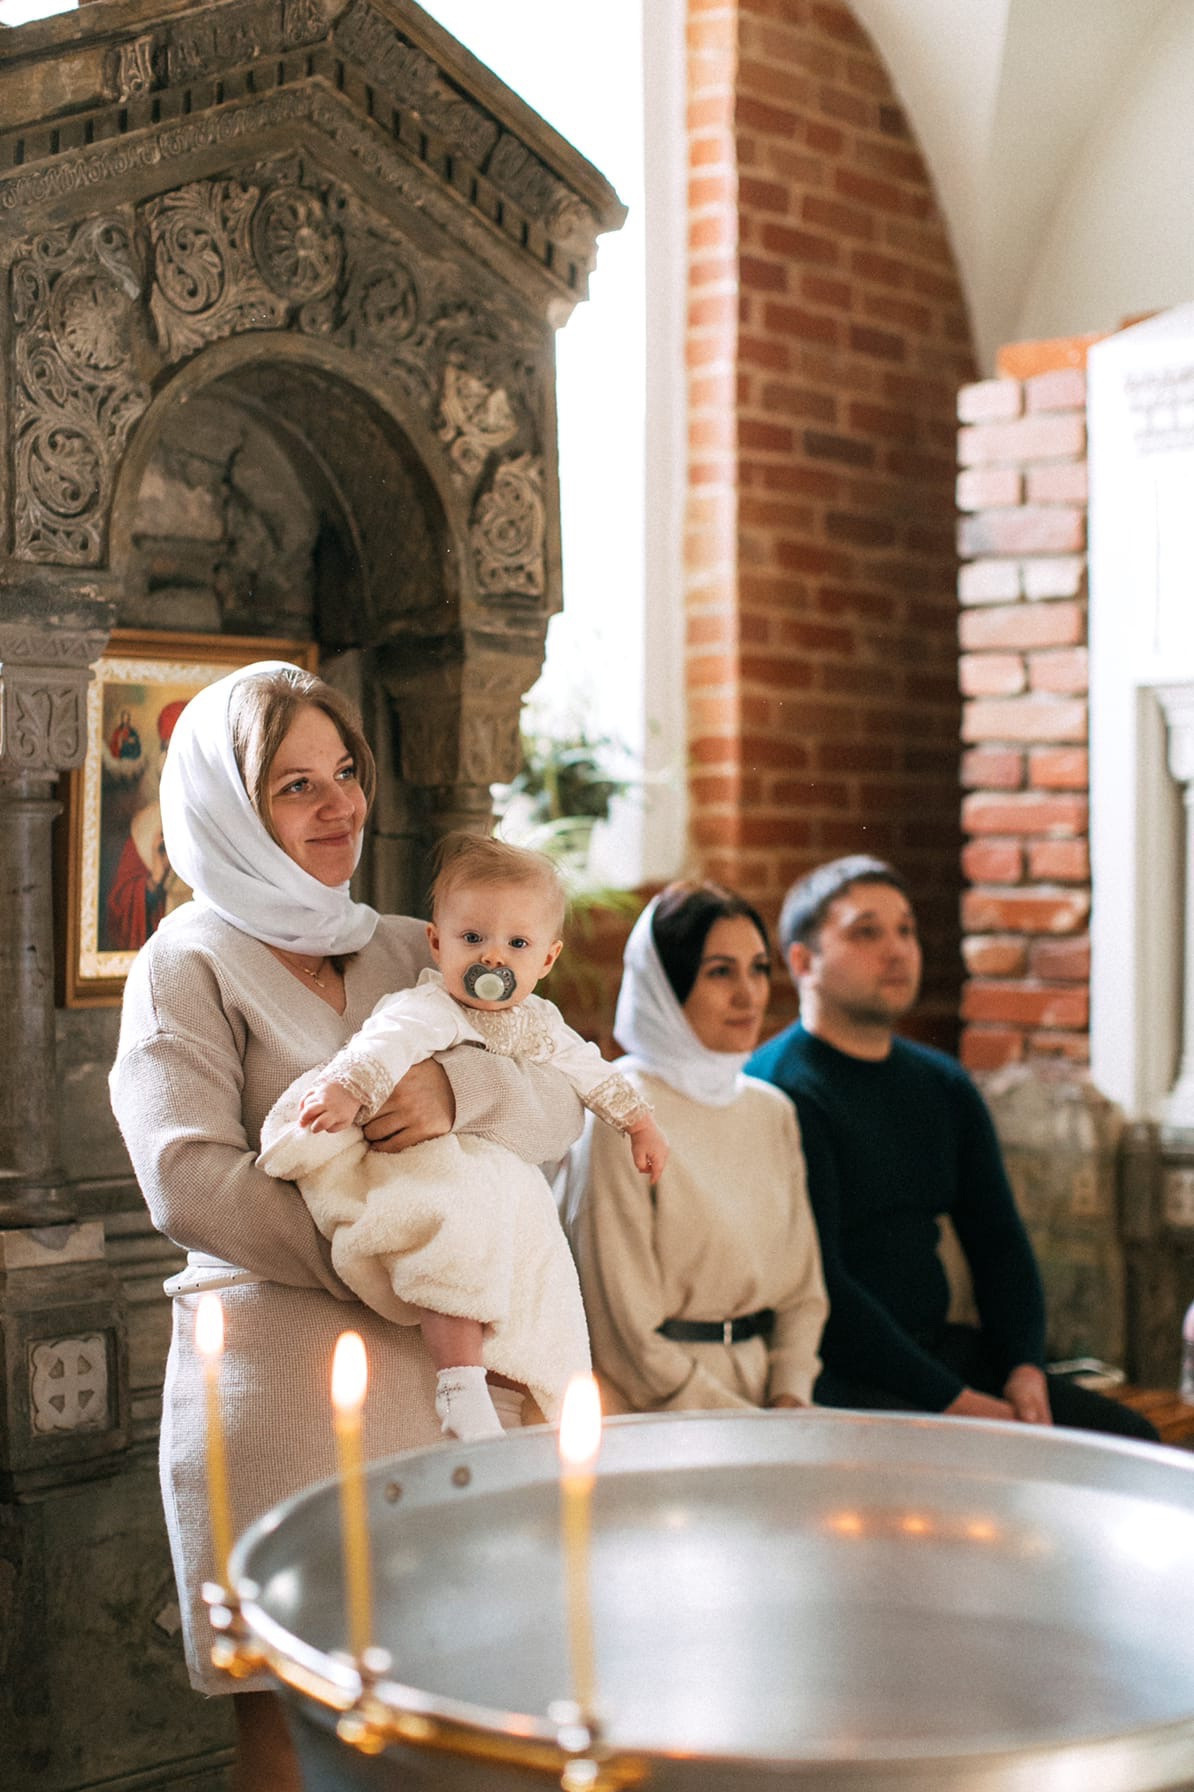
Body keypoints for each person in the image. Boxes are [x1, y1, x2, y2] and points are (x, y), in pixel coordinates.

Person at [108, 662, 587, 1792]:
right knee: (295, 1713)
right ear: (229, 803)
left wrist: (456, 1100)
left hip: (447, 1376)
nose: (339, 808)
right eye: (294, 786)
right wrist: (383, 1260)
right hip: (279, 1373)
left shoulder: (405, 942)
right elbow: (186, 1174)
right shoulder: (186, 961)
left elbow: (560, 1098)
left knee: (461, 1702)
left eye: (347, 774)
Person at [259, 832, 668, 1442]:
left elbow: (587, 1070)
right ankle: (459, 1385)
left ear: (547, 960)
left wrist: (638, 1121)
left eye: (517, 944)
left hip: (494, 1170)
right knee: (454, 1232)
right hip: (427, 1163)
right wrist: (348, 1088)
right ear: (437, 941)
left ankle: (532, 1386)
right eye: (472, 938)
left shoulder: (539, 1024)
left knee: (538, 1257)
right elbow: (382, 1045)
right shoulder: (427, 1005)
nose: (493, 959)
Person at [746, 854, 1158, 1443]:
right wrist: (954, 1403)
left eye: (906, 930)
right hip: (834, 1369)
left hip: (938, 1354)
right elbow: (823, 1287)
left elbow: (998, 1238)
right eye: (867, 932)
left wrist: (1023, 1368)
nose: (897, 950)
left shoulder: (942, 1083)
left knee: (1128, 1442)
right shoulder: (779, 1089)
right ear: (803, 961)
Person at [563, 881, 828, 1415]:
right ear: (664, 984)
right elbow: (622, 1330)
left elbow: (804, 1293)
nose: (749, 994)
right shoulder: (622, 1109)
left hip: (769, 1401)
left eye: (757, 968)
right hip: (656, 1409)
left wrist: (789, 1394)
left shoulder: (771, 1111)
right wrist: (738, 1424)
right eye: (719, 972)